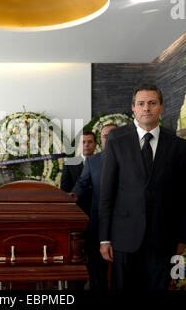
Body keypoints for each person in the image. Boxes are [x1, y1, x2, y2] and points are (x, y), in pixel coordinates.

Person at [99, 84, 186, 291]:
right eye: (141, 103)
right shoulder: (117, 139)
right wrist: (104, 238)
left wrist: (183, 238)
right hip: (124, 239)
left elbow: (182, 196)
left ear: (161, 107)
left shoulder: (178, 145)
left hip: (163, 239)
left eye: (152, 103)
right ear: (133, 108)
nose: (146, 108)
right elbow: (107, 192)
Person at [72, 125, 116, 291]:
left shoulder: (133, 159)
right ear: (102, 140)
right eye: (105, 136)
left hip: (126, 227)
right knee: (97, 272)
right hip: (98, 226)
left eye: (113, 135)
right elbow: (81, 185)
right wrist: (72, 196)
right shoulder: (93, 161)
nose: (109, 139)